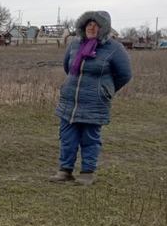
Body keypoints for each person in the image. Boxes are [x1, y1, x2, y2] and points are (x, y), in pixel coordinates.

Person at [49, 11, 132, 185]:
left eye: (96, 25)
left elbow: (124, 75)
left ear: (104, 28)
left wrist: (105, 89)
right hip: (70, 100)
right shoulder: (74, 45)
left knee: (90, 138)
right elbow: (68, 67)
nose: (91, 28)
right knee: (67, 137)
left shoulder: (114, 49)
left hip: (95, 101)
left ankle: (87, 173)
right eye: (89, 24)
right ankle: (65, 171)